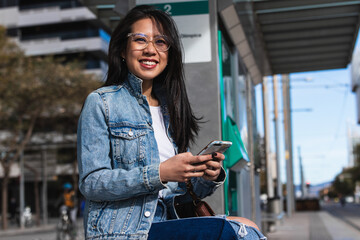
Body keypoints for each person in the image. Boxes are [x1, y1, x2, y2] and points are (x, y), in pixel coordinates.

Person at [77, 5, 266, 240]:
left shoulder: (170, 109)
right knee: (239, 232)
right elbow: (92, 183)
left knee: (247, 225)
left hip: (168, 221)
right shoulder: (101, 102)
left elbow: (177, 195)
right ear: (123, 50)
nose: (150, 50)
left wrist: (206, 176)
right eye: (140, 40)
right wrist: (160, 173)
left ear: (169, 53)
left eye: (160, 42)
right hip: (125, 231)